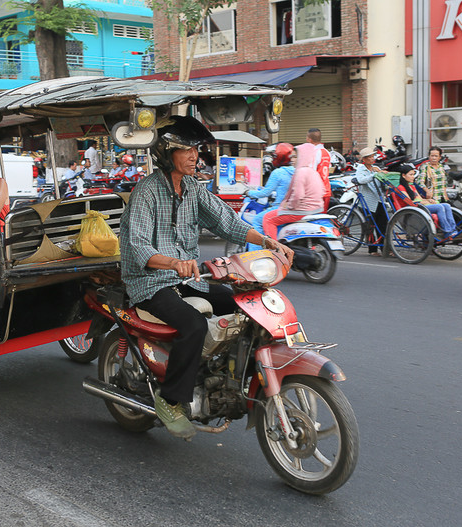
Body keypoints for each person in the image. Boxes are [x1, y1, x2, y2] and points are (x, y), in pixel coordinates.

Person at [120, 115, 293, 440]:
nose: (193, 156)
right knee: (194, 325)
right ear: (165, 153)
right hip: (149, 282)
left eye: (195, 150)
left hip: (189, 278)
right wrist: (174, 263)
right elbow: (140, 246)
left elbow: (227, 222)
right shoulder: (146, 192)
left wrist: (268, 241)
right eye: (185, 150)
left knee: (244, 303)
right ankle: (170, 399)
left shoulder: (193, 189)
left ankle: (223, 372)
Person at [262, 142, 325, 239]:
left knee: (267, 219)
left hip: (300, 210)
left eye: (295, 157)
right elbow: (322, 190)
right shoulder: (313, 171)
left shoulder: (300, 172)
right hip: (316, 209)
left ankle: (274, 251)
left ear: (303, 157)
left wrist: (289, 207)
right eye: (291, 157)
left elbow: (297, 196)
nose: (292, 160)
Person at [244, 143, 295, 250]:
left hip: (280, 208)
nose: (273, 158)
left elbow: (265, 193)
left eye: (274, 156)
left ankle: (255, 254)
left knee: (257, 221)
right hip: (295, 208)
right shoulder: (296, 171)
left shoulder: (278, 172)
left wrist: (249, 193)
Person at [394, 163, 458, 237]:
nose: (413, 177)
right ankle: (447, 231)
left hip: (420, 206)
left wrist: (428, 200)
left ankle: (453, 229)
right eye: (410, 175)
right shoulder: (400, 188)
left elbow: (420, 198)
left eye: (413, 175)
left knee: (446, 205)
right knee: (440, 207)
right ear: (403, 175)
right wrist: (424, 201)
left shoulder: (412, 186)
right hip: (413, 209)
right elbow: (409, 201)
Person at [353, 146, 389, 254]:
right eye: (369, 157)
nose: (372, 159)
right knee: (370, 226)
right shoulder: (361, 169)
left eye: (373, 156)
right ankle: (372, 249)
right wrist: (374, 175)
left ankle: (384, 248)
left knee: (383, 224)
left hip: (378, 199)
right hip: (367, 201)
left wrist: (382, 175)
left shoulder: (375, 168)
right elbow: (361, 180)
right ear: (364, 159)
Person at [306, 128, 332, 210]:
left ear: (309, 140)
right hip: (326, 190)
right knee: (322, 218)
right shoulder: (326, 152)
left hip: (316, 192)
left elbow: (311, 172)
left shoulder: (313, 153)